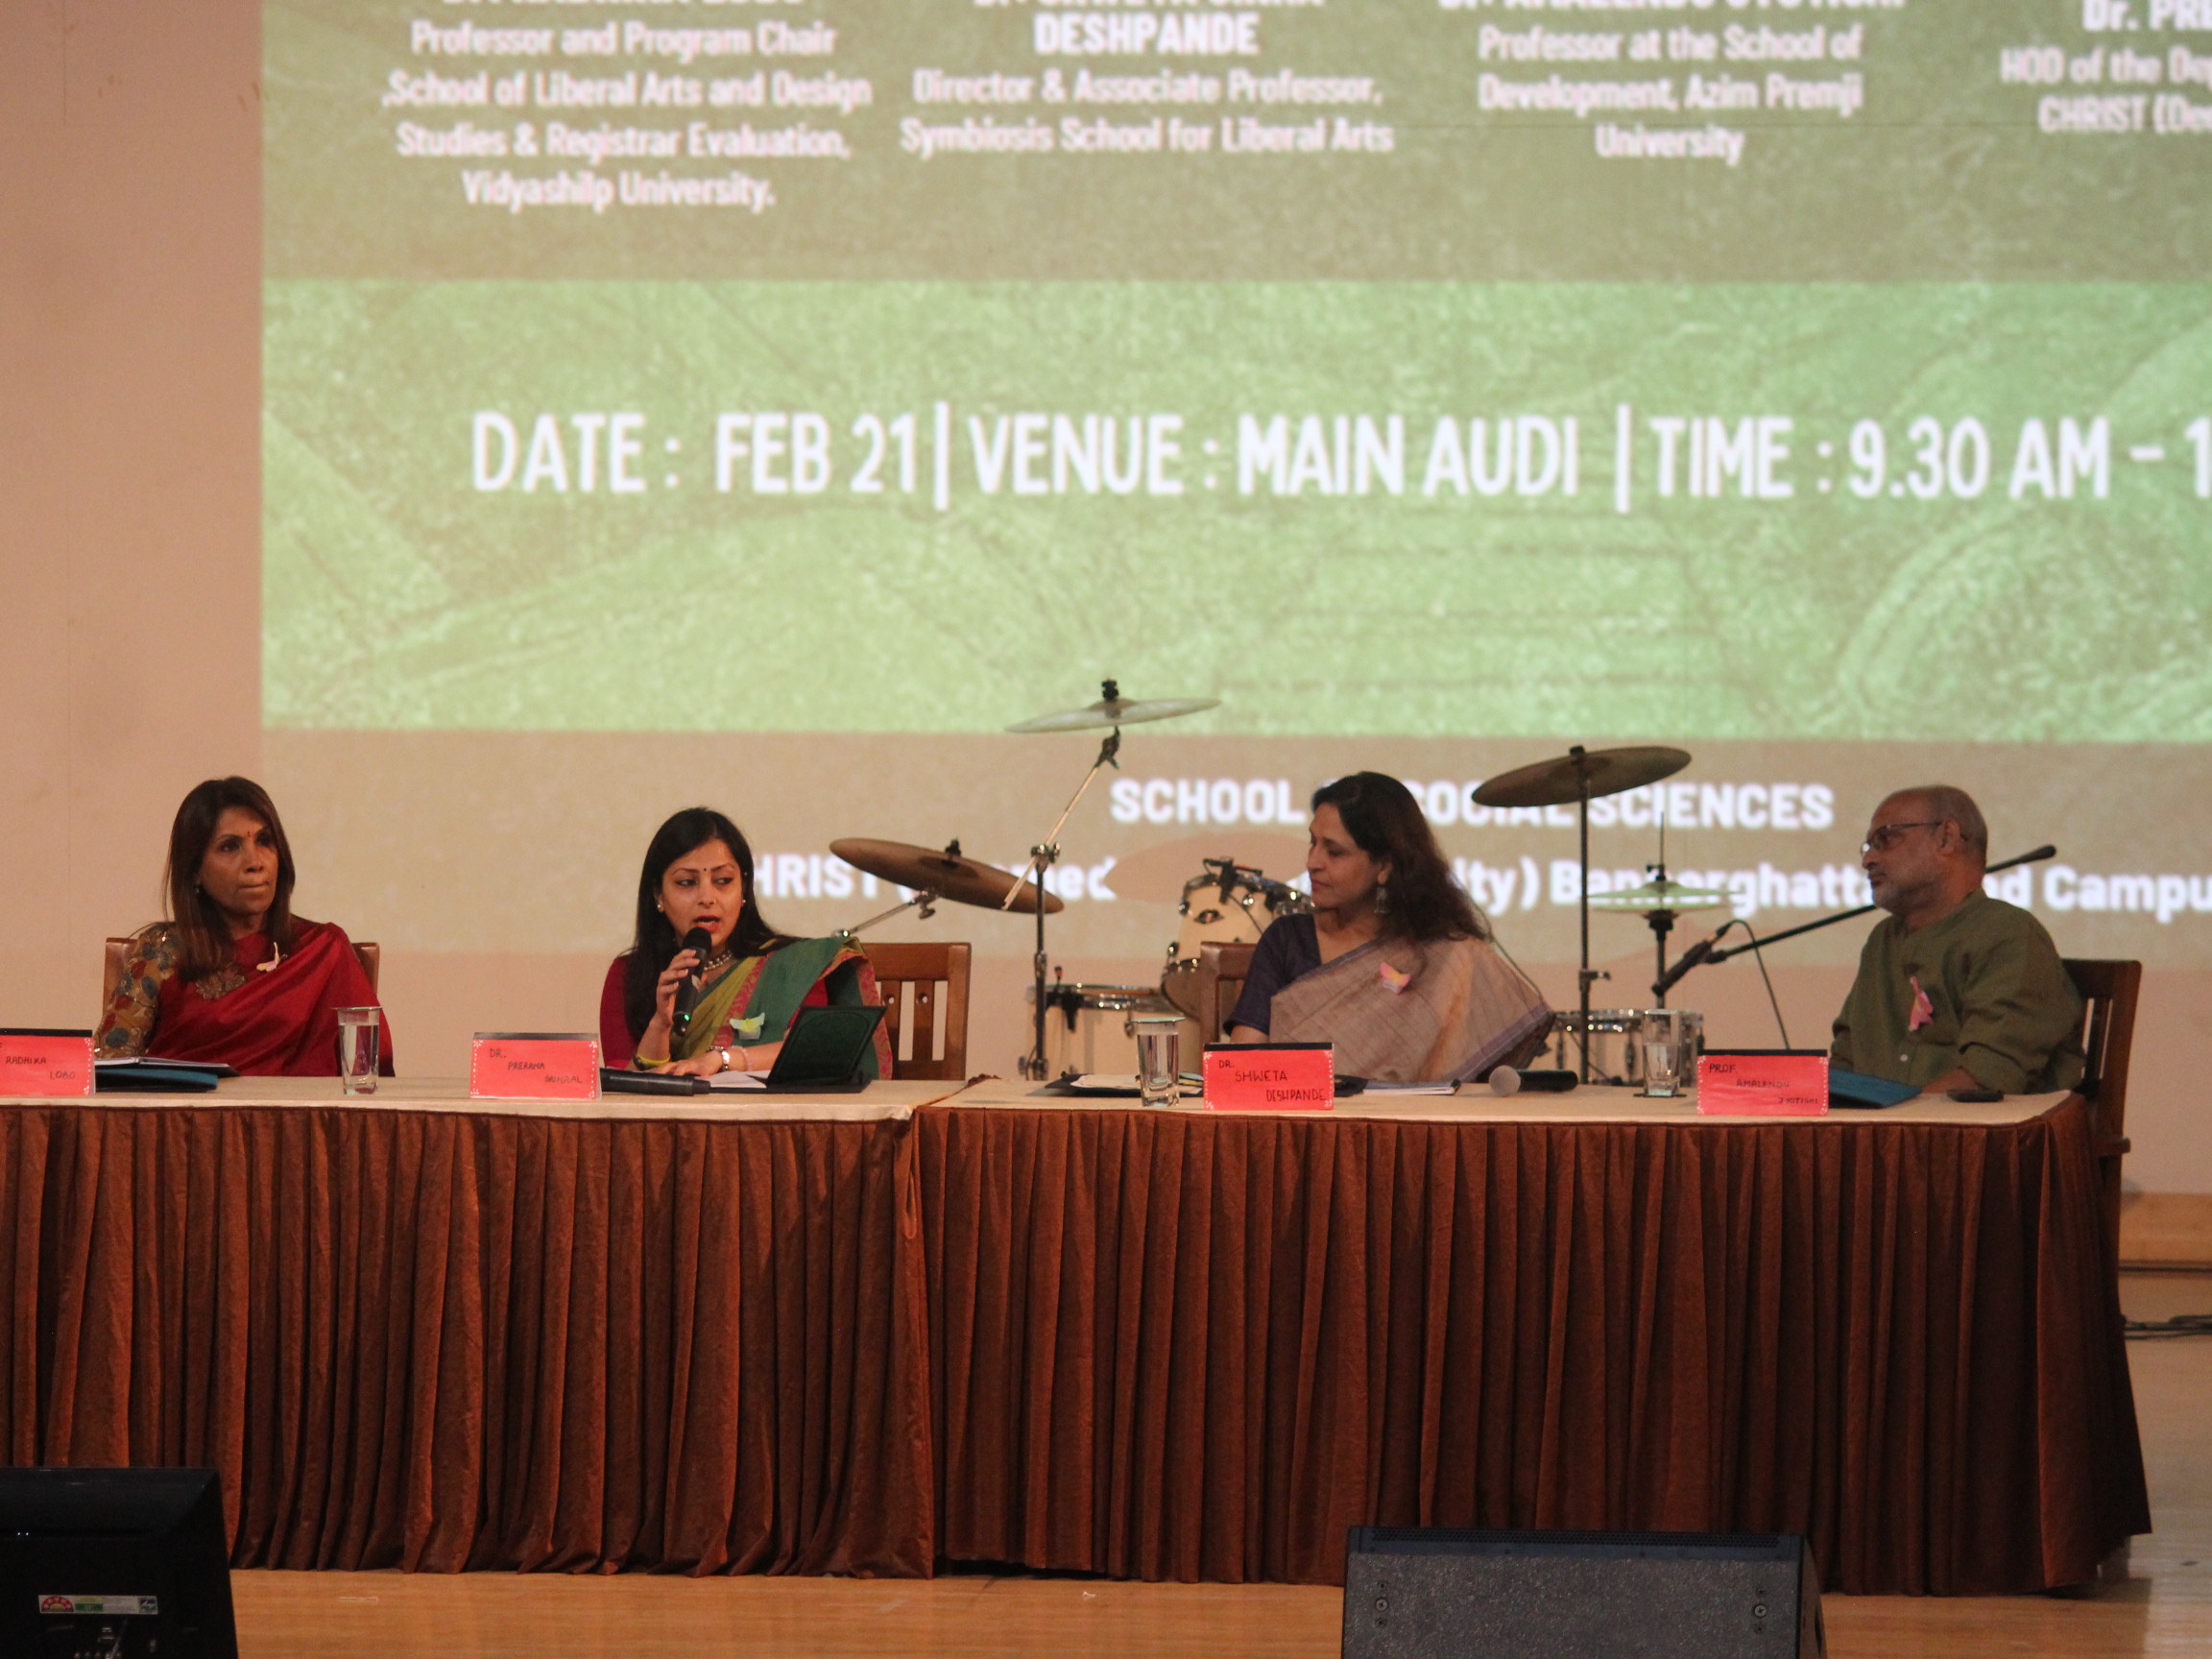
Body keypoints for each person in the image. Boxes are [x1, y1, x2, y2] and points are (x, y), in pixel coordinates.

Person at [1225, 772, 1551, 1083]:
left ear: (1384, 866)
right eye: (1313, 843)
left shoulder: (1444, 957)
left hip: (1414, 1122)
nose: (1312, 862)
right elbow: (1242, 1069)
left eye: (1334, 851)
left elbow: (1480, 1079)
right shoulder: (1288, 940)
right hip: (1302, 1121)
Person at [96, 777, 394, 1075]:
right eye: (229, 847)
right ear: (195, 870)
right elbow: (109, 1067)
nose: (255, 862)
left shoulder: (323, 949)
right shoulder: (162, 952)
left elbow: (369, 1074)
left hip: (296, 1108)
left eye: (264, 841)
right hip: (187, 1106)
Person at [600, 807, 893, 1079]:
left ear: (743, 890)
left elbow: (813, 1053)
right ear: (658, 896)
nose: (707, 897)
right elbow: (626, 1090)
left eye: (723, 880)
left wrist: (724, 1059)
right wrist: (660, 1024)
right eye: (687, 883)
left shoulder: (793, 966)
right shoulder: (630, 975)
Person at [1832, 784, 2083, 1095]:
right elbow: (1845, 1064)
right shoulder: (1882, 941)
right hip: (1887, 1126)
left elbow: (1986, 1078)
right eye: (1868, 847)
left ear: (1946, 838)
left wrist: (1894, 1119)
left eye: (1885, 839)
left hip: (1975, 1127)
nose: (1868, 859)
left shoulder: (2006, 934)